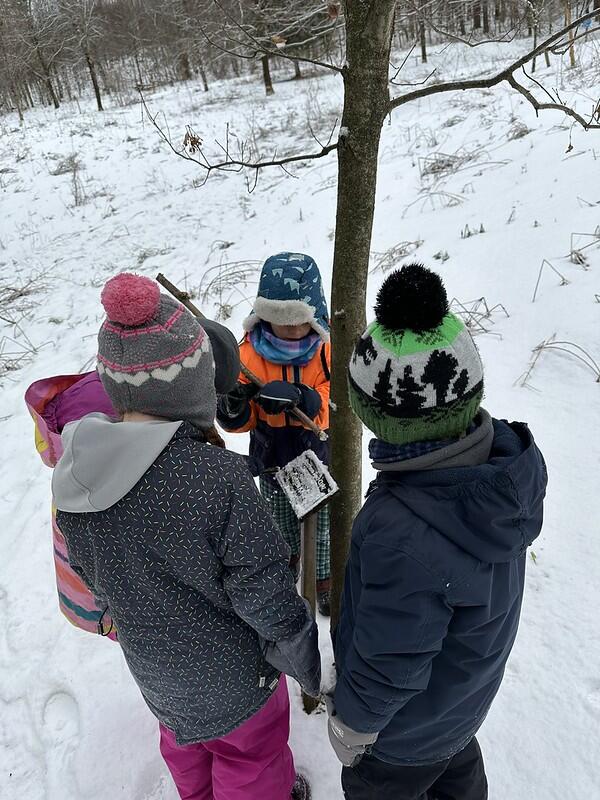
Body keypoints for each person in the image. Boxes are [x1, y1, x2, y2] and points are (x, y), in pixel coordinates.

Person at [52, 273, 320, 800]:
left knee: (185, 750)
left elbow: (96, 586)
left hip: (157, 679)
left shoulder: (77, 481)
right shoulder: (219, 480)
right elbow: (265, 596)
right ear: (192, 385)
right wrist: (306, 659)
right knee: (250, 762)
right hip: (237, 686)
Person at [326, 263, 547, 800]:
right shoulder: (503, 478)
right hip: (460, 709)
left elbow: (388, 660)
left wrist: (352, 727)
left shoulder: (399, 531)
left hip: (400, 739)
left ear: (375, 416)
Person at [24, 303, 242, 639]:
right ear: (193, 385)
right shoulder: (137, 427)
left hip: (93, 548)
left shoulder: (128, 386)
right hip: (117, 583)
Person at [216, 252, 332, 616]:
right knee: (279, 521)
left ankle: (324, 580)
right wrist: (235, 407)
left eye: (301, 321)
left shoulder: (327, 349)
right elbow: (241, 420)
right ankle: (288, 563)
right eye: (283, 322)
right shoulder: (248, 353)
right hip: (271, 458)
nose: (293, 329)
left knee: (322, 527)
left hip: (316, 455)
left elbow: (336, 402)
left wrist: (308, 400)